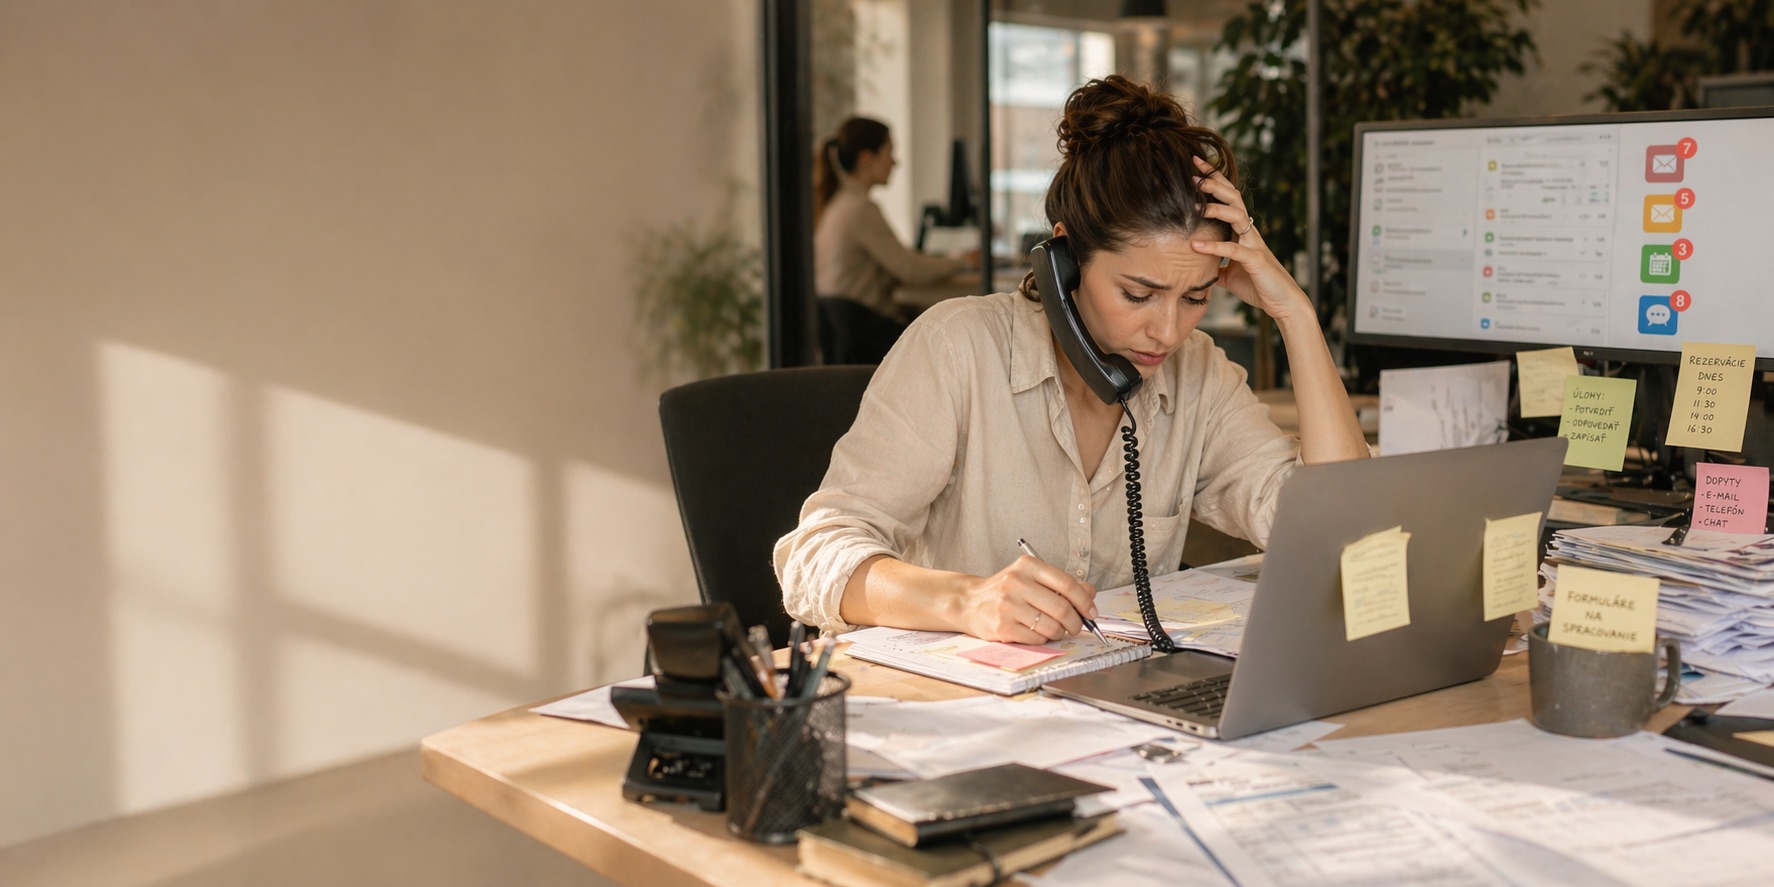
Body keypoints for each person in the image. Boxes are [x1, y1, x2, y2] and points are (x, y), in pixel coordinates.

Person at [777, 76, 1369, 641]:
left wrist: (1296, 315)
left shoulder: (1200, 375)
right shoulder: (958, 348)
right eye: (1137, 294)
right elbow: (816, 555)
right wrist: (965, 601)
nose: (1167, 331)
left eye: (1195, 297)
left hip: (1125, 720)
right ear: (1065, 259)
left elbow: (1341, 535)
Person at [814, 117, 969, 363]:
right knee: (955, 344)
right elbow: (910, 270)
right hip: (866, 335)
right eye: (889, 152)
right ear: (867, 158)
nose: (895, 162)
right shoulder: (859, 209)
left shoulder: (838, 205)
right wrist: (961, 261)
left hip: (853, 335)